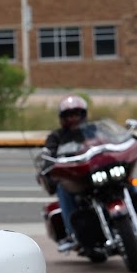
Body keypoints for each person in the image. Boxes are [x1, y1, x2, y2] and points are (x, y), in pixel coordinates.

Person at [42, 95, 88, 252]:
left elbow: (110, 139)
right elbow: (48, 154)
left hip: (93, 171)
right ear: (62, 118)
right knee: (63, 188)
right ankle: (72, 233)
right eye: (69, 115)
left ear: (83, 115)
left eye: (76, 114)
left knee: (123, 178)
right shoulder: (56, 136)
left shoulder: (92, 131)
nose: (73, 118)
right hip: (75, 177)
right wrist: (48, 163)